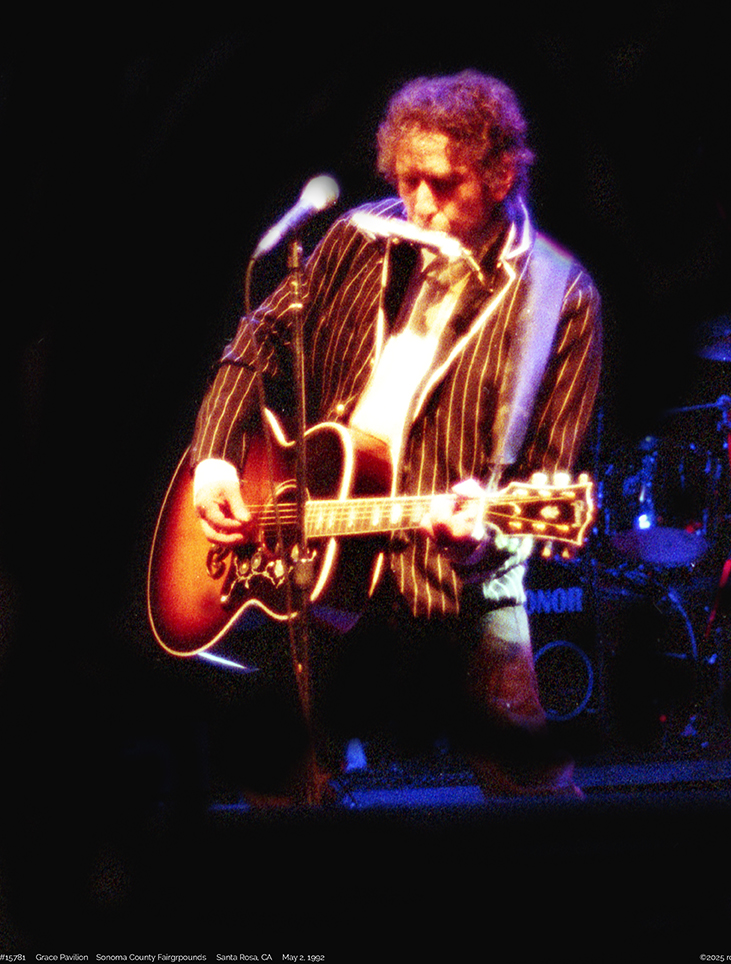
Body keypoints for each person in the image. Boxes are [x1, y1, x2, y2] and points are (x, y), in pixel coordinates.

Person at [189, 70, 602, 800]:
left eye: (443, 184)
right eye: (408, 181)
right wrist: (216, 456)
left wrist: (481, 538)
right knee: (277, 785)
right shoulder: (361, 237)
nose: (421, 205)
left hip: (454, 581)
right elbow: (261, 337)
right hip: (316, 556)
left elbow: (545, 472)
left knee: (533, 795)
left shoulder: (559, 295)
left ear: (502, 175)